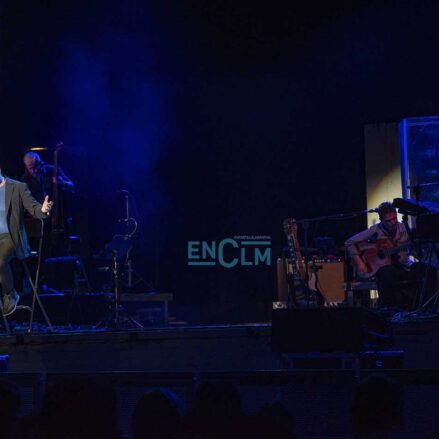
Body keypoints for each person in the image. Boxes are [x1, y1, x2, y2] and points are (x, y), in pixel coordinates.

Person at [345, 201, 436, 309]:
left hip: (405, 266)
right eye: (388, 221)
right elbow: (349, 242)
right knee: (387, 271)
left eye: (394, 219)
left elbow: (416, 252)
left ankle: (426, 307)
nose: (393, 223)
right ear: (381, 220)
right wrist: (359, 261)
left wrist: (420, 250)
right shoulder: (375, 230)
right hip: (385, 270)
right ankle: (387, 308)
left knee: (429, 269)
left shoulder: (405, 229)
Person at [0, 169, 53, 316]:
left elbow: (34, 208)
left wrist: (43, 209)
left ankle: (10, 294)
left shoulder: (18, 187)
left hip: (11, 239)